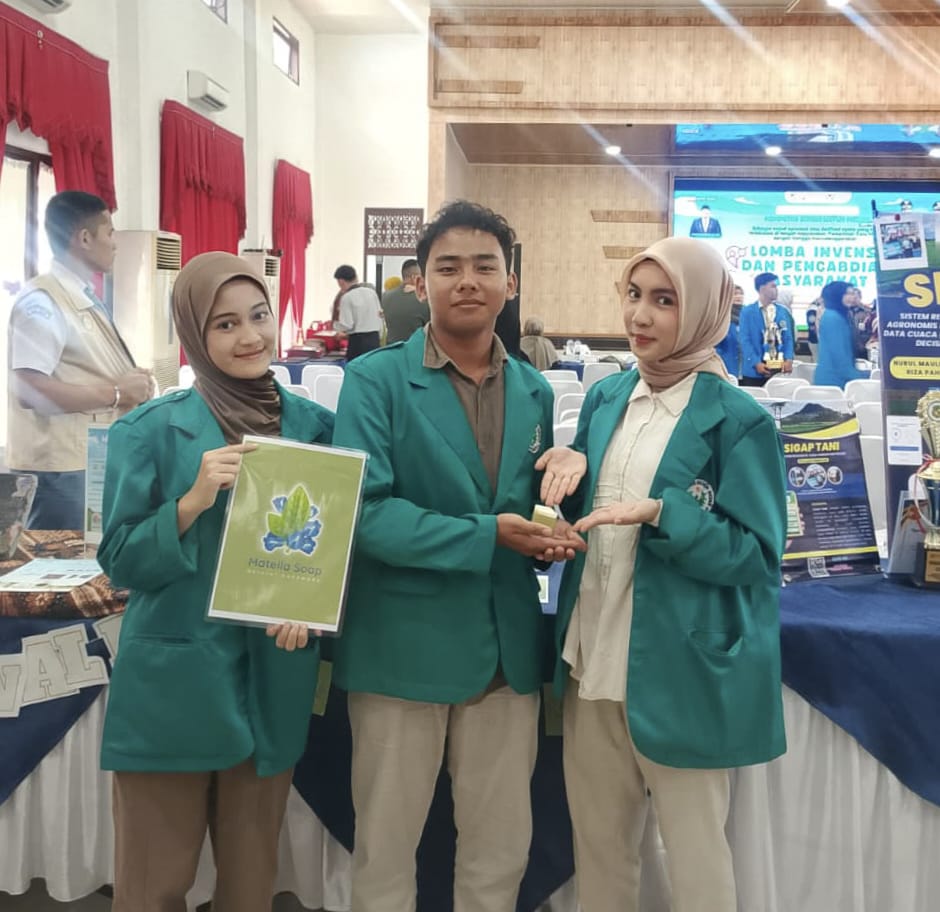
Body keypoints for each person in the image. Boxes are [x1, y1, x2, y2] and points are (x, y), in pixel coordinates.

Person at [331, 200, 585, 912]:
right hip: (401, 650)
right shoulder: (375, 381)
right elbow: (365, 514)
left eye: (484, 266)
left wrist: (548, 533)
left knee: (498, 854)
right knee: (385, 853)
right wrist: (488, 535)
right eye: (448, 268)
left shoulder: (535, 390)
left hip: (505, 654)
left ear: (510, 283)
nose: (467, 281)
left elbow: (524, 507)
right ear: (420, 283)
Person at [539, 236, 787, 912]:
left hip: (681, 666)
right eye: (633, 295)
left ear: (704, 311)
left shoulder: (739, 420)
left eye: (665, 301)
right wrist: (564, 500)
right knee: (600, 852)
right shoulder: (607, 397)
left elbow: (758, 556)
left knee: (696, 857)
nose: (640, 315)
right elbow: (593, 514)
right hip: (592, 656)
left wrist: (664, 514)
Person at [97, 252, 334, 912]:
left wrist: (313, 606)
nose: (249, 336)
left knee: (251, 883)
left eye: (258, 316)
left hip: (272, 672)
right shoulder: (148, 430)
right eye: (225, 325)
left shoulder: (316, 429)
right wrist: (191, 501)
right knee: (152, 883)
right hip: (176, 679)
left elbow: (334, 545)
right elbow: (119, 559)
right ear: (194, 336)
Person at [6, 191, 153, 529]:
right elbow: (29, 390)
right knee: (63, 555)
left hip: (86, 459)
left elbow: (83, 368)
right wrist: (118, 392)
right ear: (84, 238)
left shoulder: (80, 295)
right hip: (59, 469)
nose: (115, 244)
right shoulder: (42, 302)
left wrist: (132, 381)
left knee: (91, 554)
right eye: (110, 233)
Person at [739, 271, 794, 386]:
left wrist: (789, 358)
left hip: (779, 369)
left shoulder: (782, 312)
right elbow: (745, 341)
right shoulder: (747, 312)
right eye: (773, 286)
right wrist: (756, 363)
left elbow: (788, 338)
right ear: (762, 288)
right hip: (753, 371)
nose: (776, 290)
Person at [813, 280, 870, 389]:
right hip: (833, 382)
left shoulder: (840, 315)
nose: (852, 297)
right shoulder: (832, 317)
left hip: (839, 379)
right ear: (837, 295)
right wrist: (860, 378)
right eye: (848, 293)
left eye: (853, 293)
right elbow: (839, 354)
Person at [333, 264, 382, 359]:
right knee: (372, 366)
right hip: (374, 340)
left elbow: (347, 325)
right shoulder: (371, 293)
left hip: (358, 342)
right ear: (355, 277)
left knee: (356, 367)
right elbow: (380, 315)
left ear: (341, 281)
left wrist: (336, 327)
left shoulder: (347, 297)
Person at [382, 257, 430, 343]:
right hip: (416, 348)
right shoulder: (422, 299)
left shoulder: (386, 297)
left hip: (392, 348)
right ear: (414, 277)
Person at [715, 284, 744, 377]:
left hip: (747, 368)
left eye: (741, 294)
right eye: (735, 294)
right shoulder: (721, 317)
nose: (738, 296)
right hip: (727, 367)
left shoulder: (749, 316)